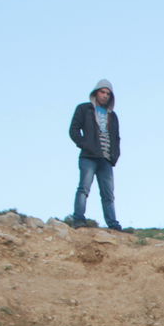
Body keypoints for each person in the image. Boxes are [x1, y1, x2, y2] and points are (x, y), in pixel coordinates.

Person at [68, 79, 121, 230]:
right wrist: (85, 145)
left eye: (108, 94)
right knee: (84, 188)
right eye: (102, 92)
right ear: (96, 93)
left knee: (108, 194)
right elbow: (74, 130)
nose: (105, 96)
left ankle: (113, 224)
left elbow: (116, 137)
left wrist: (115, 156)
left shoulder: (113, 115)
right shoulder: (84, 109)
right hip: (89, 157)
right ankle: (78, 219)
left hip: (106, 159)